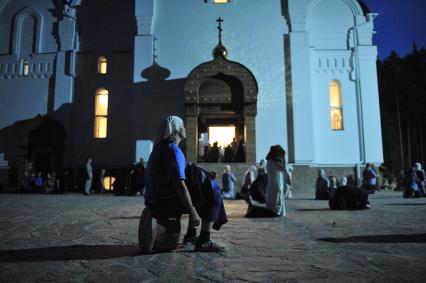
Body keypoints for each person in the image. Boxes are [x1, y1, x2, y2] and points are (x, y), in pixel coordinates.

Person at [143, 115, 226, 252]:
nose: (186, 129)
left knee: (199, 184)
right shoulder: (173, 150)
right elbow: (179, 185)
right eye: (183, 126)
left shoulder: (160, 148)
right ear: (176, 130)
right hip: (165, 203)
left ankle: (191, 234)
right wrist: (192, 211)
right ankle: (204, 240)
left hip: (156, 201)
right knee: (213, 190)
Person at [245, 145, 290, 217]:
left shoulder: (271, 162)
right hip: (275, 187)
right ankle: (253, 209)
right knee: (273, 210)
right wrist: (284, 157)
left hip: (274, 187)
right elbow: (284, 169)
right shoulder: (271, 162)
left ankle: (253, 208)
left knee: (273, 209)